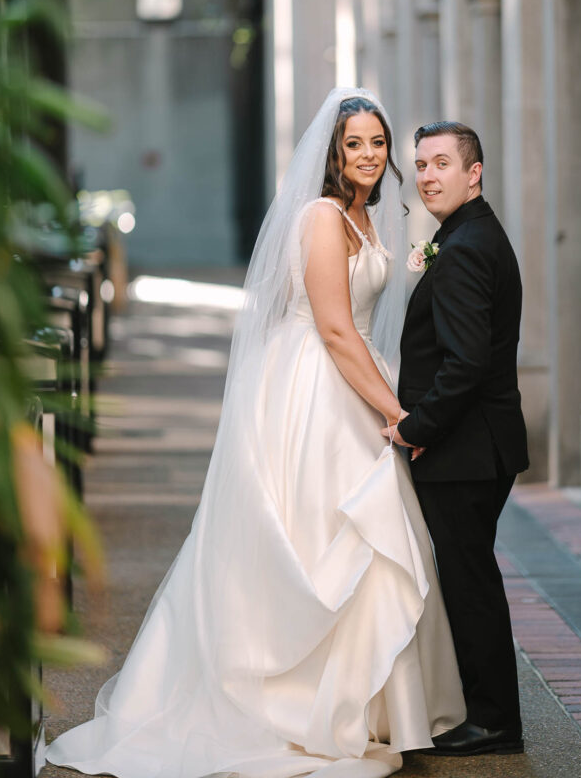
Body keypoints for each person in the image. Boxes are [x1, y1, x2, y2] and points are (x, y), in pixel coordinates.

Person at [46, 89, 465, 778]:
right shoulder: (322, 217)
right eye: (354, 144)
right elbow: (333, 328)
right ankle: (297, 704)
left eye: (377, 143)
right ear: (333, 153)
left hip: (353, 374)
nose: (368, 155)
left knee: (369, 541)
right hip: (314, 390)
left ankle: (367, 707)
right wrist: (396, 413)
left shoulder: (368, 215)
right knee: (325, 534)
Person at [385, 121, 529, 757]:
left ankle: (495, 722)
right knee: (469, 576)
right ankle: (485, 708)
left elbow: (467, 362)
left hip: (466, 449)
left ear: (474, 172)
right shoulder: (468, 234)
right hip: (474, 445)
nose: (427, 175)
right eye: (420, 164)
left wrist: (417, 426)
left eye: (441, 163)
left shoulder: (467, 246)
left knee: (469, 581)